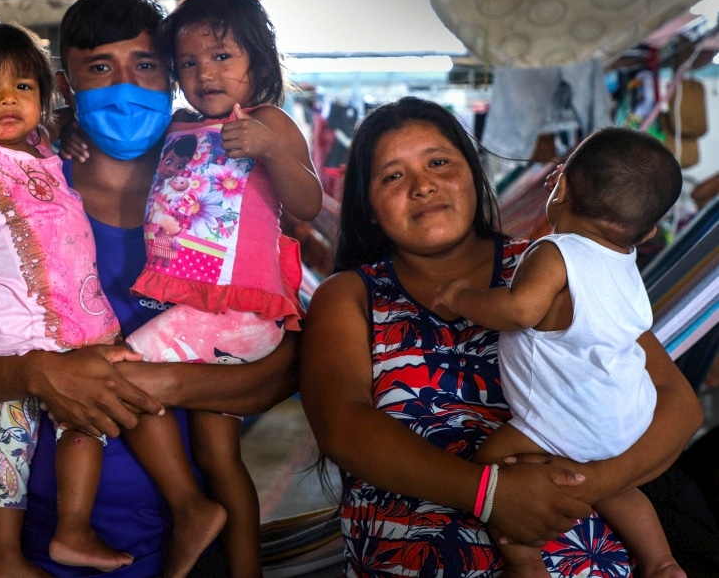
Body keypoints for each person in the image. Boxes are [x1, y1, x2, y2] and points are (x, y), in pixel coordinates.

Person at [0, 0, 299, 578]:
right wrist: (33, 373)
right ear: (65, 88)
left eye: (145, 65)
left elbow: (278, 368)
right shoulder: (23, 193)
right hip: (48, 546)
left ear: (172, 77)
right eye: (99, 68)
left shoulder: (222, 186)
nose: (125, 85)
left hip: (190, 547)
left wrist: (155, 381)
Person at [298, 97, 702, 576]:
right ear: (367, 202)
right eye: (393, 175)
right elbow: (342, 427)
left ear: (473, 173)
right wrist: (491, 496)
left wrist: (588, 485)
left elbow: (678, 403)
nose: (423, 185)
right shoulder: (350, 295)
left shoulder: (555, 268)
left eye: (439, 162)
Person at [119, 0, 322, 577]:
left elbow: (308, 202)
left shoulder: (268, 122)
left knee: (121, 374)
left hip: (236, 318)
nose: (206, 73)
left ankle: (189, 511)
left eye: (223, 57)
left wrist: (272, 153)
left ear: (257, 59)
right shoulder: (179, 125)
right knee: (218, 454)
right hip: (202, 313)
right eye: (189, 62)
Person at [433, 127, 684, 578]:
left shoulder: (555, 251)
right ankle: (662, 562)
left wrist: (463, 297)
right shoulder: (625, 266)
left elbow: (520, 309)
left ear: (560, 184)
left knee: (491, 465)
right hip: (628, 417)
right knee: (617, 490)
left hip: (566, 421)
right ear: (647, 231)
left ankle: (526, 563)